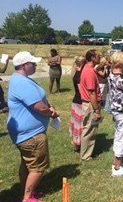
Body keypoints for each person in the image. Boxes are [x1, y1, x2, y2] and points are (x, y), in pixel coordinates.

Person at [7, 51, 59, 202]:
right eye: (33, 63)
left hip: (25, 133)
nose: (36, 65)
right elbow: (39, 107)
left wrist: (49, 105)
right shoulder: (22, 83)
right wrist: (51, 113)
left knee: (27, 164)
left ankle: (27, 192)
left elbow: (38, 100)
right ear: (24, 65)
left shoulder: (20, 79)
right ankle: (28, 198)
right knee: (37, 167)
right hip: (31, 135)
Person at [79, 49, 102, 161]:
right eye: (98, 56)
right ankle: (86, 155)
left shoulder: (88, 69)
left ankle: (87, 152)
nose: (100, 58)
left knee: (90, 129)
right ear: (93, 58)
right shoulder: (89, 71)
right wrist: (96, 110)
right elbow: (92, 92)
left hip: (89, 104)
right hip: (90, 105)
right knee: (89, 130)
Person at [69, 56, 86, 153]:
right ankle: (79, 144)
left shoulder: (76, 72)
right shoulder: (80, 75)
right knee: (80, 125)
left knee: (76, 124)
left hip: (76, 101)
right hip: (80, 102)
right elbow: (81, 92)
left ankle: (77, 143)